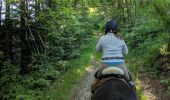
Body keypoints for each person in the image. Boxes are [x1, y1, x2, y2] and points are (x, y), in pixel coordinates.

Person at [95, 20, 135, 89]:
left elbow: (97, 50)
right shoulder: (120, 38)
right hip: (120, 64)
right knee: (129, 80)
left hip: (105, 64)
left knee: (97, 78)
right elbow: (126, 52)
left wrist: (104, 49)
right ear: (116, 28)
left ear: (106, 28)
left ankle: (93, 94)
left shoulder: (102, 38)